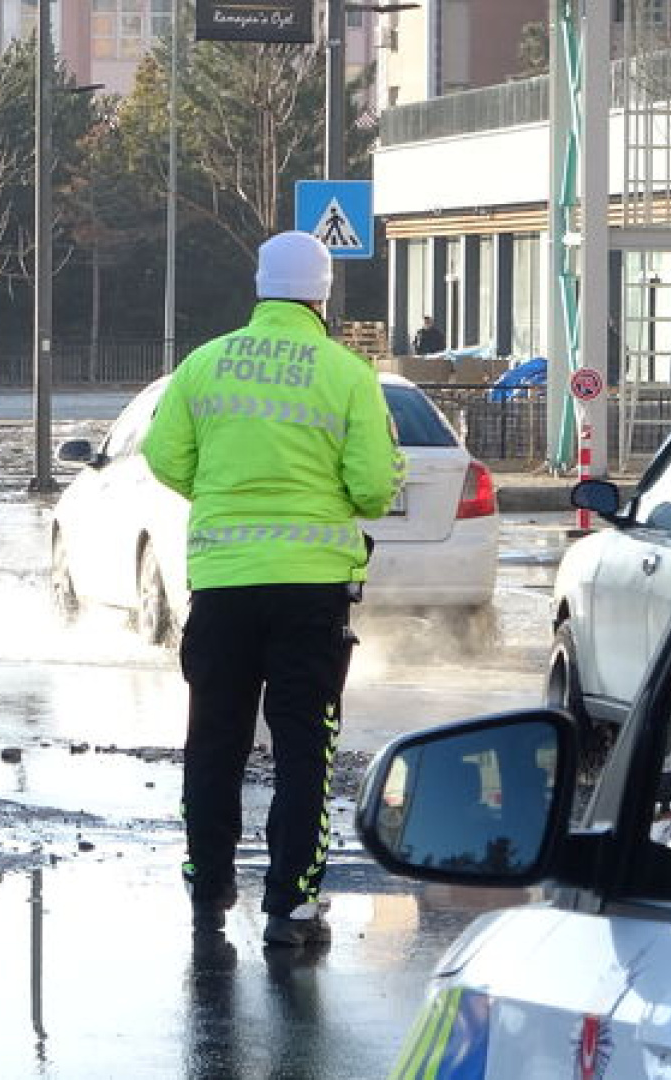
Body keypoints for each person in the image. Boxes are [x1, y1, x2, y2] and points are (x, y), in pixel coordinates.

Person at [139, 231, 403, 948]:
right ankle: (290, 904)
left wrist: (221, 496)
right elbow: (375, 490)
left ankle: (208, 885)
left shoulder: (205, 364)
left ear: (259, 287)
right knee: (302, 746)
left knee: (213, 740)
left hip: (222, 586)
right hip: (310, 593)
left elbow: (163, 456)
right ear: (321, 295)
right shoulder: (346, 373)